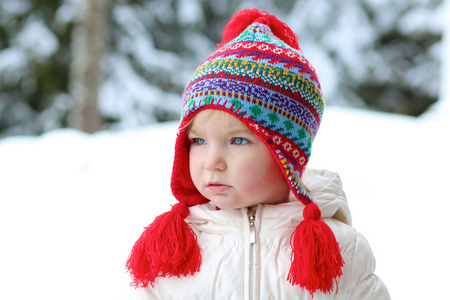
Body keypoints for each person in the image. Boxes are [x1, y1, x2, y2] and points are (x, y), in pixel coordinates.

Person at [126, 8, 390, 299]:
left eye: (238, 141)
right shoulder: (176, 249)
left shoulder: (338, 250)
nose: (212, 161)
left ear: (285, 155)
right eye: (199, 141)